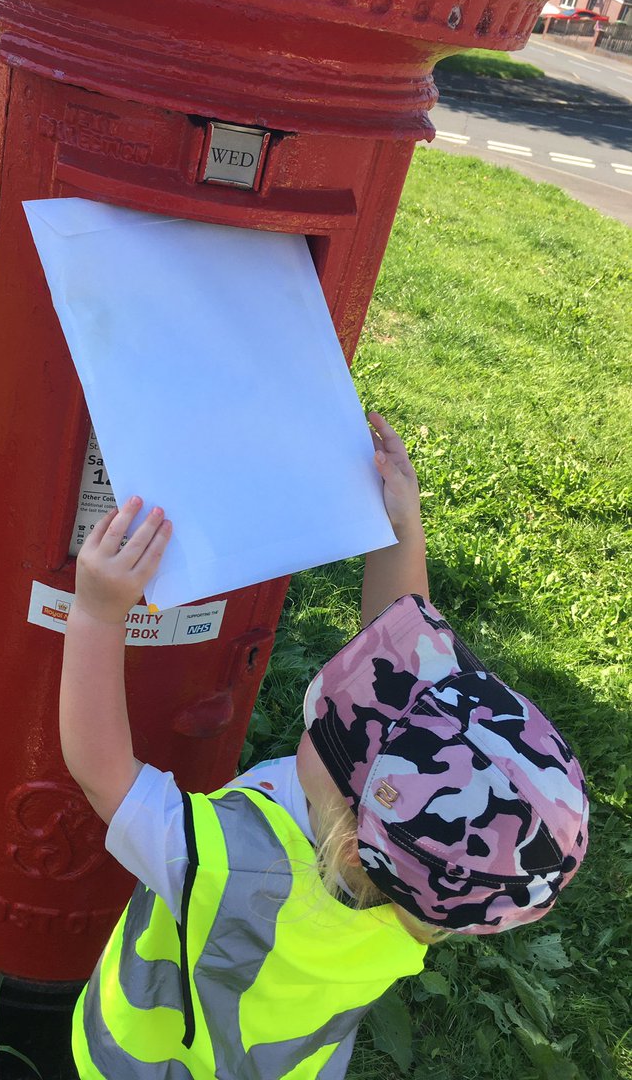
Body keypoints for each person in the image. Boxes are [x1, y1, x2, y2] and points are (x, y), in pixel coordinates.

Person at [60, 412, 589, 1080]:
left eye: (337, 724)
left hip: (140, 1058)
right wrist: (399, 527)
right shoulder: (420, 904)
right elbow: (397, 652)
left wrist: (98, 612)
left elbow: (104, 773)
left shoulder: (225, 866)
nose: (356, 692)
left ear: (345, 835)